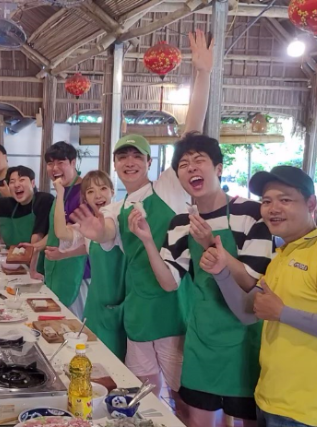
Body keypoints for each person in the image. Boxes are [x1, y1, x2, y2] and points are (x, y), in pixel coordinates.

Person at [70, 30, 213, 415]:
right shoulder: (116, 207)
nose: (129, 162)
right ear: (115, 165)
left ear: (150, 163)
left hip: (172, 312)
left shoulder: (167, 188)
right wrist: (96, 232)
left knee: (185, 398)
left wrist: (202, 74)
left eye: (137, 156)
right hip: (138, 317)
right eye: (122, 158)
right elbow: (108, 232)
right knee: (141, 397)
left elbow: (191, 132)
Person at [208, 165, 317, 427]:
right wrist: (221, 274)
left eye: (285, 200)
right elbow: (249, 314)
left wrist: (283, 313)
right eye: (266, 201)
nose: (273, 208)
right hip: (269, 397)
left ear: (311, 204)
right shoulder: (282, 255)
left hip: (307, 411)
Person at [129, 134, 273, 426]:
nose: (191, 168)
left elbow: (251, 282)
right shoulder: (181, 224)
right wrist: (147, 241)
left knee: (250, 420)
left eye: (199, 161)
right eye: (183, 165)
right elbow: (169, 282)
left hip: (245, 338)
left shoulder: (251, 213)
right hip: (202, 338)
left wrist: (210, 243)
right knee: (197, 422)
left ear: (218, 168)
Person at [50, 171, 127, 360]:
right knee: (92, 356)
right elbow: (63, 233)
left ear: (112, 191)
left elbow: (105, 236)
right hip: (95, 302)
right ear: (84, 198)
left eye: (103, 188)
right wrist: (60, 194)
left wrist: (65, 253)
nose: (98, 195)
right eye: (91, 191)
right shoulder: (87, 225)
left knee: (115, 361)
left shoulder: (120, 216)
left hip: (119, 302)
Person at [39, 141, 89, 318]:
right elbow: (55, 232)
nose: (54, 168)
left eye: (61, 162)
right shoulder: (62, 190)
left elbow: (76, 236)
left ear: (73, 163)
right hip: (57, 269)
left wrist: (64, 254)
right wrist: (36, 246)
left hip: (79, 273)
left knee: (73, 323)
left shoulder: (85, 191)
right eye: (50, 163)